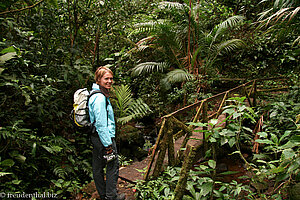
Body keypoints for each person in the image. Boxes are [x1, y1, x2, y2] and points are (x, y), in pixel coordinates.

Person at [89, 66, 125, 200]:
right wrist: (108, 145)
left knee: (97, 167)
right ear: (98, 80)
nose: (109, 81)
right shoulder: (99, 98)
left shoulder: (98, 94)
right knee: (112, 166)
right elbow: (101, 123)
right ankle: (111, 197)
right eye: (106, 78)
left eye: (111, 78)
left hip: (96, 137)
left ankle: (103, 194)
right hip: (104, 138)